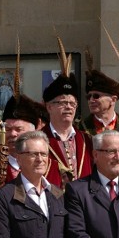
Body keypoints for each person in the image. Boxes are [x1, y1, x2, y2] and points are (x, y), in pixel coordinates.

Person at [42, 56, 93, 184]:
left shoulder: (87, 140)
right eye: (63, 102)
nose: (69, 107)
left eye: (72, 103)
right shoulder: (39, 139)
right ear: (49, 107)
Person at [77, 56, 119, 135]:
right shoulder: (80, 128)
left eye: (96, 96)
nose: (91, 100)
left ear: (113, 100)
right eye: (88, 97)